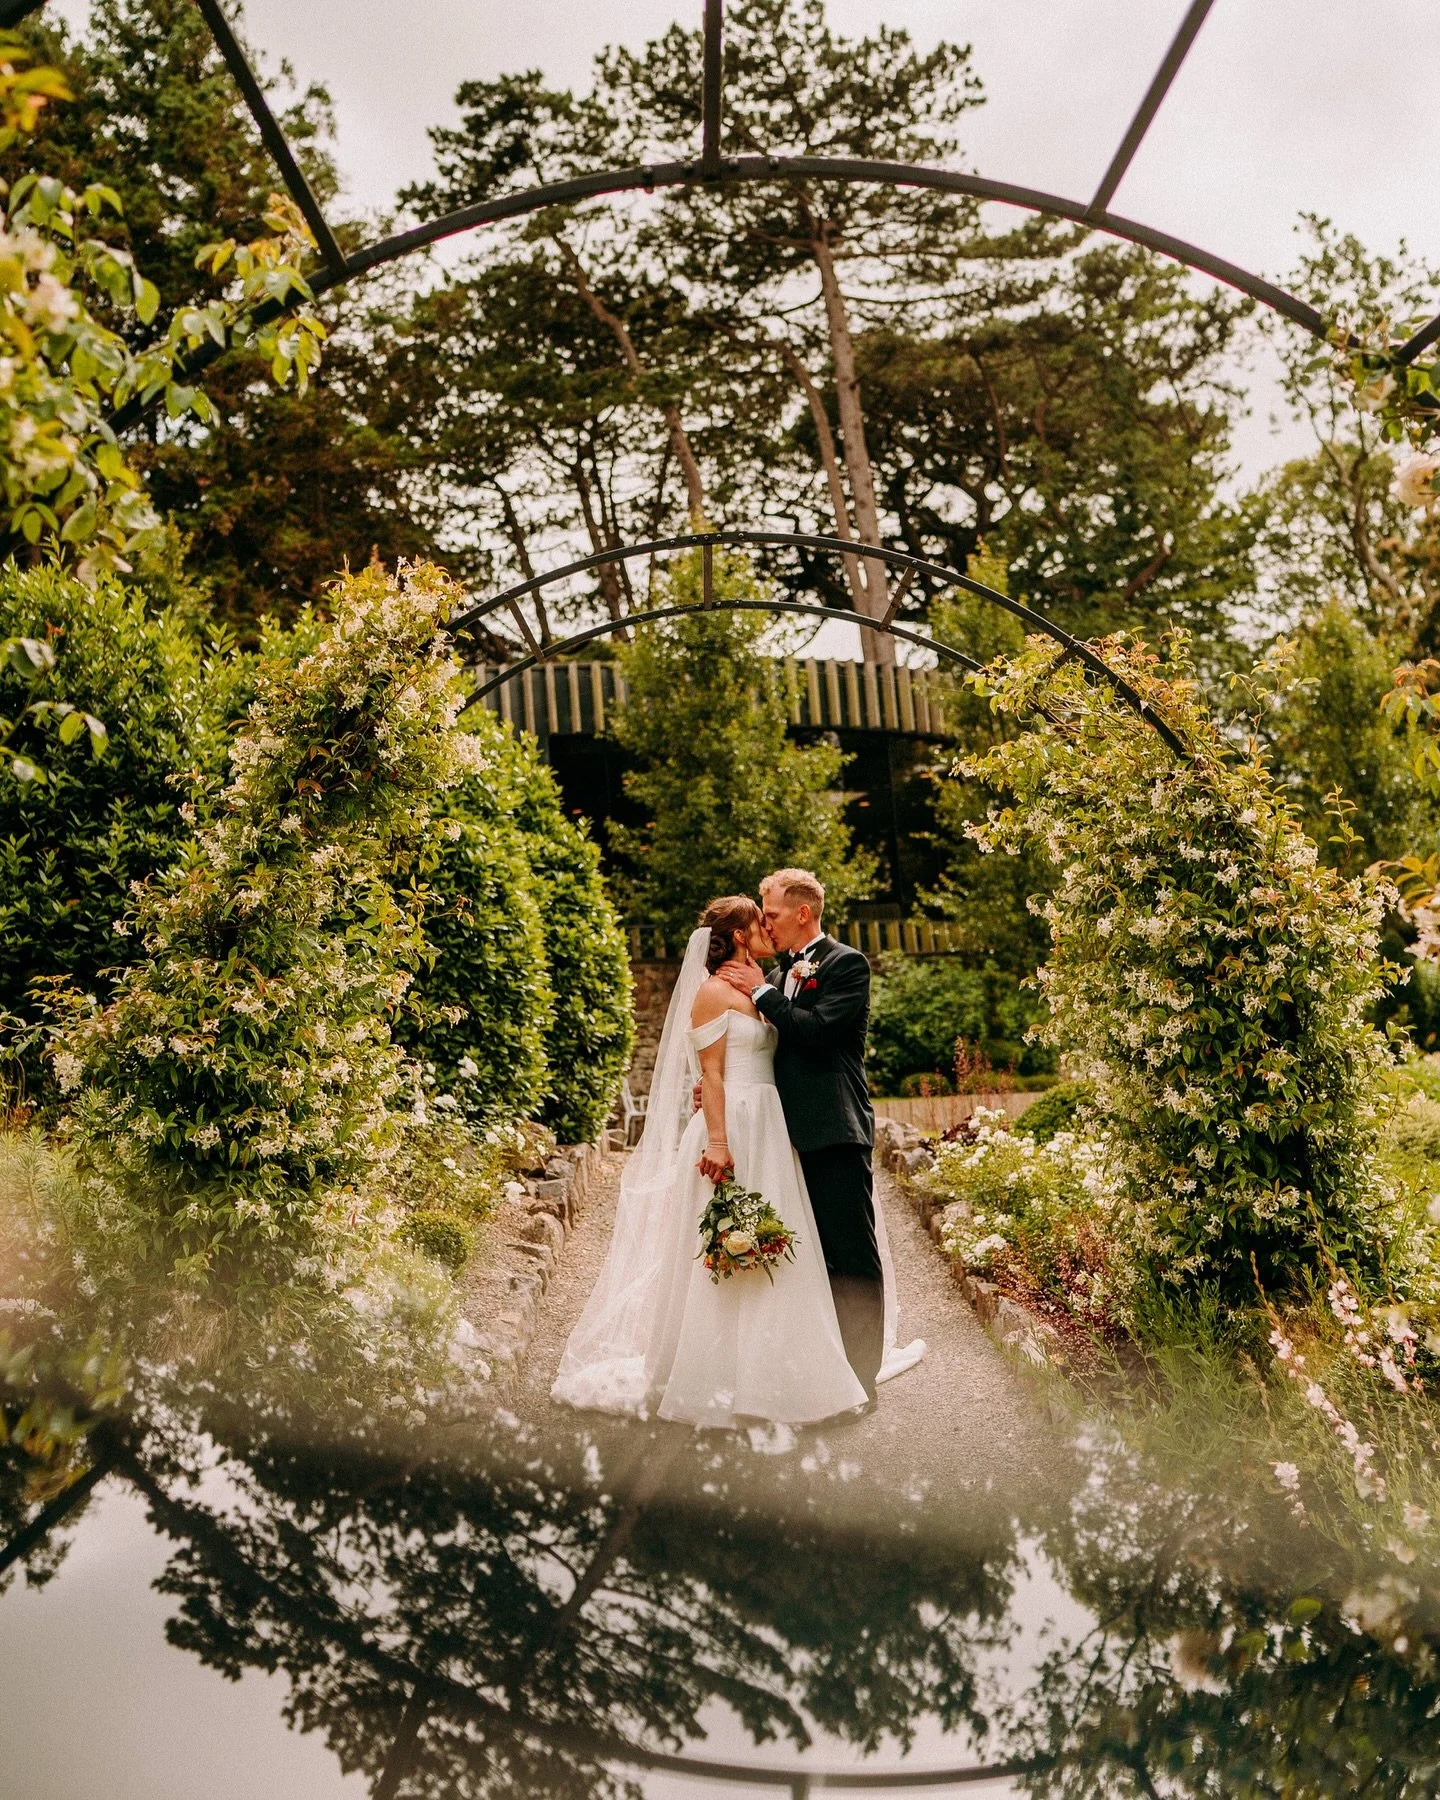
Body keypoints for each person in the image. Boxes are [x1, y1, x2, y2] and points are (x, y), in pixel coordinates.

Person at [550, 896, 867, 1428]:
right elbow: (715, 1074)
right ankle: (716, 1377)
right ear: (740, 935)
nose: (767, 926)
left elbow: (788, 1046)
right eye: (758, 922)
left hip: (770, 1127)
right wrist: (717, 1142)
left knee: (782, 1246)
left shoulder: (766, 984)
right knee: (726, 1248)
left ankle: (780, 1377)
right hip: (733, 1130)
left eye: (772, 917)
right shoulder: (713, 992)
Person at [715, 869, 887, 1407]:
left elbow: (815, 1032)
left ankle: (861, 1383)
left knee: (850, 1259)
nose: (766, 922)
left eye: (772, 913)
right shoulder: (781, 970)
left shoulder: (846, 964)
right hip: (783, 1136)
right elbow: (771, 1047)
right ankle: (821, 1373)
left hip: (834, 1130)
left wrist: (763, 993)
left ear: (803, 913)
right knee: (806, 1261)